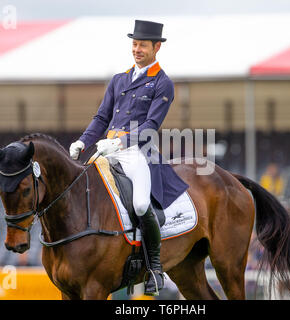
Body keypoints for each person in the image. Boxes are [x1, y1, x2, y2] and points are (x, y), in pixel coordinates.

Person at [69, 20, 189, 296]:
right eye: (134, 44)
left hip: (138, 153)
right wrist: (82, 141)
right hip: (107, 147)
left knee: (139, 202)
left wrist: (120, 142)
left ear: (156, 47)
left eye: (142, 45)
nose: (137, 49)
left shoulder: (162, 83)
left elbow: (150, 127)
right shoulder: (119, 80)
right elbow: (101, 117)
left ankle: (155, 269)